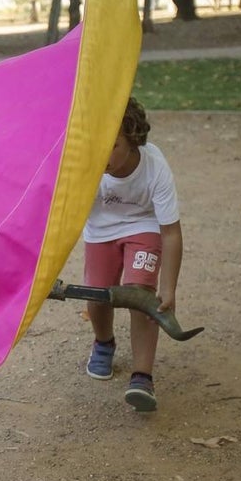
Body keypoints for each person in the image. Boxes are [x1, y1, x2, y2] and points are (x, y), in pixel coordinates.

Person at [82, 97, 183, 412]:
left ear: (133, 139)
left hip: (144, 225)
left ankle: (143, 376)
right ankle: (104, 342)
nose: (103, 154)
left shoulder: (155, 169)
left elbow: (171, 233)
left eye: (112, 146)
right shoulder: (86, 166)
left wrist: (168, 288)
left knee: (140, 297)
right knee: (97, 297)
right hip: (100, 230)